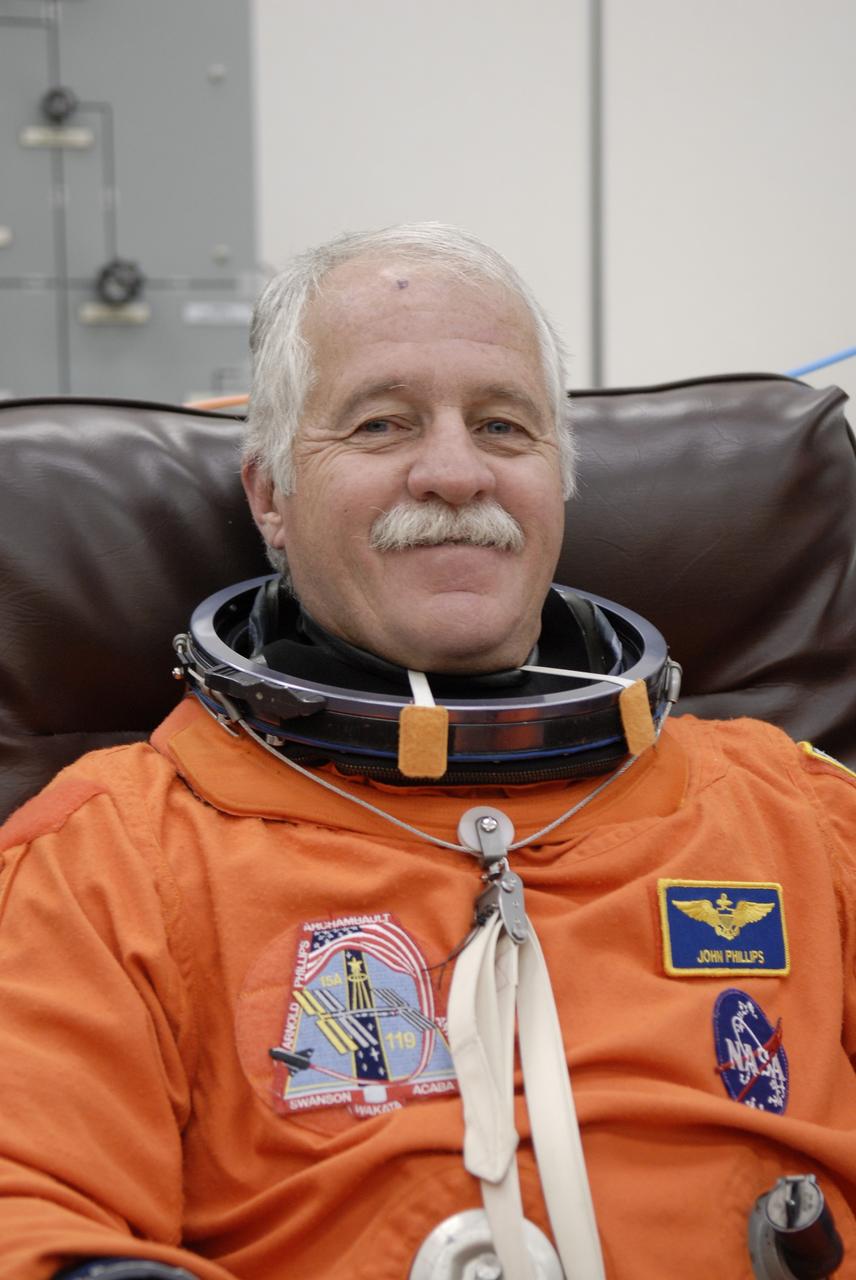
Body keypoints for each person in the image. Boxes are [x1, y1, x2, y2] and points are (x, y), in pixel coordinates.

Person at [0, 224, 854, 1280]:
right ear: (269, 495)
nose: (455, 473)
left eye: (502, 426)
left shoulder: (797, 814)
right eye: (381, 423)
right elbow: (33, 1220)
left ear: (556, 478)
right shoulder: (114, 858)